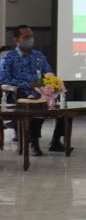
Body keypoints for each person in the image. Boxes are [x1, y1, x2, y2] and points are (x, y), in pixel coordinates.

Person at [0, 25, 65, 155]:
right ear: (17, 39)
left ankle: (56, 141)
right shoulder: (9, 58)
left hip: (43, 93)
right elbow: (4, 80)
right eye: (26, 37)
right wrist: (29, 85)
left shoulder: (38, 55)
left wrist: (52, 83)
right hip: (21, 94)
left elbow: (48, 73)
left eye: (31, 36)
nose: (30, 39)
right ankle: (34, 144)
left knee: (64, 110)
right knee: (36, 107)